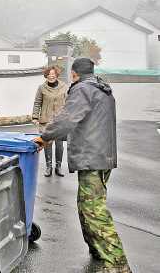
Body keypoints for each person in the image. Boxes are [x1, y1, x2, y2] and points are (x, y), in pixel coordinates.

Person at [34, 58, 131, 273]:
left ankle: (117, 264)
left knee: (94, 210)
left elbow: (68, 120)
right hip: (103, 155)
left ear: (74, 73)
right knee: (85, 205)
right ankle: (97, 248)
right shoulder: (102, 89)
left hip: (93, 157)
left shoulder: (83, 90)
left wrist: (45, 137)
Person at [32, 65, 69, 177]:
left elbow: (69, 103)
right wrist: (35, 117)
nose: (51, 76)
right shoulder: (42, 88)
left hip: (60, 120)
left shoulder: (64, 87)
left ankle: (58, 166)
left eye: (53, 74)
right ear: (46, 76)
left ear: (56, 75)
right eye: (49, 74)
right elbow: (37, 102)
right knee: (47, 143)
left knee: (59, 143)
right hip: (46, 119)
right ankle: (48, 166)